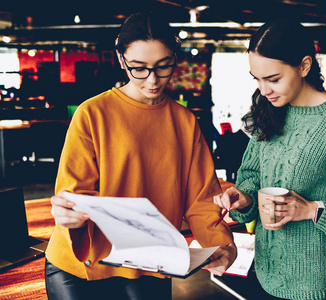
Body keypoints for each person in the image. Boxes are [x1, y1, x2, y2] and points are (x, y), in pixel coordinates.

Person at [45, 11, 236, 300]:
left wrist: (221, 243)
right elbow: (75, 194)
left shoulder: (185, 122)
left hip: (152, 263)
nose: (152, 80)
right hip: (82, 267)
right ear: (121, 60)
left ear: (174, 58)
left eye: (163, 66)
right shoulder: (92, 114)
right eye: (138, 67)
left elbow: (201, 200)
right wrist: (70, 215)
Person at [213, 19, 326, 300]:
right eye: (257, 79)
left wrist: (312, 209)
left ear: (304, 66)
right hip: (267, 274)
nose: (264, 90)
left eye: (273, 79)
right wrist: (243, 197)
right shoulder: (270, 111)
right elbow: (252, 176)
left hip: (320, 282)